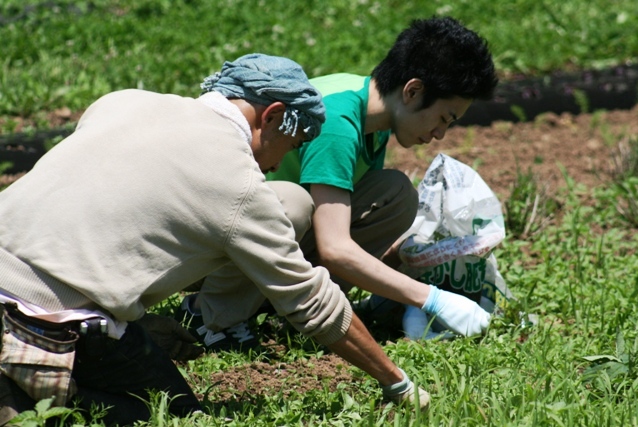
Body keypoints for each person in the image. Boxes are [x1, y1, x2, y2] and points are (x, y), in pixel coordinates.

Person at [0, 54, 429, 426]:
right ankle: (18, 396)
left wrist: (138, 324)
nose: (279, 161)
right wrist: (398, 382)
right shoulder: (236, 180)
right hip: (38, 321)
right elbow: (311, 301)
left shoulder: (121, 101)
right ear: (274, 116)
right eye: (291, 143)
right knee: (170, 411)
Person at [183, 17, 498, 347]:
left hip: (251, 235)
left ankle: (288, 308)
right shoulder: (337, 122)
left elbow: (339, 222)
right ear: (413, 91)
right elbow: (334, 249)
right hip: (210, 247)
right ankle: (208, 314)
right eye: (444, 118)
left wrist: (409, 257)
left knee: (395, 195)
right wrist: (431, 298)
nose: (439, 134)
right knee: (293, 204)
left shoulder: (369, 112)